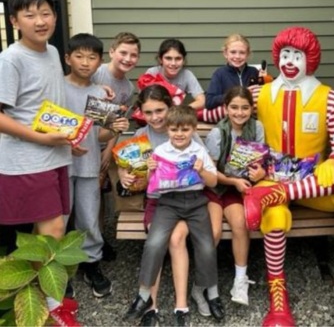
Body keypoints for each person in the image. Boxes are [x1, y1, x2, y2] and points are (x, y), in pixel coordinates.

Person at [243, 26, 334, 326]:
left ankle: (274, 195)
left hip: (313, 183)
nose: (289, 61)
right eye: (285, 54)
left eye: (297, 55)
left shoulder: (331, 98)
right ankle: (279, 303)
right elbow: (221, 113)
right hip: (270, 175)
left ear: (310, 60)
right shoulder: (258, 93)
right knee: (274, 217)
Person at [0, 0, 80, 326]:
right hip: (27, 161)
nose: (40, 20)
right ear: (15, 21)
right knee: (53, 231)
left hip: (54, 156)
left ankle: (38, 302)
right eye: (30, 15)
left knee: (45, 233)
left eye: (45, 13)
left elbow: (45, 102)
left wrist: (69, 137)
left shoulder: (50, 53)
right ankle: (45, 305)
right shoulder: (10, 59)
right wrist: (45, 140)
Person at [124, 105, 224, 326]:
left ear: (193, 129)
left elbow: (214, 182)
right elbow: (152, 189)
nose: (179, 134)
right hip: (168, 204)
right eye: (174, 129)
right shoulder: (160, 152)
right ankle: (143, 295)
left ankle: (212, 292)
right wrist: (151, 170)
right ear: (167, 130)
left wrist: (202, 171)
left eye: (185, 129)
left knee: (206, 245)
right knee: (154, 242)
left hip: (196, 203)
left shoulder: (199, 151)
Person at [63, 33, 129, 298]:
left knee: (89, 219)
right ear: (68, 58)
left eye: (92, 57)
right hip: (60, 165)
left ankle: (91, 265)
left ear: (99, 61)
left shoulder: (99, 94)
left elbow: (98, 135)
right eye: (79, 56)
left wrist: (113, 128)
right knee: (60, 219)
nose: (85, 62)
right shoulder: (56, 87)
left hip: (88, 165)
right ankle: (59, 269)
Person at [204, 85, 266, 306]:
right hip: (215, 187)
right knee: (214, 231)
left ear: (251, 108)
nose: (240, 112)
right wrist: (233, 181)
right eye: (234, 107)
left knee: (240, 224)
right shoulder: (216, 133)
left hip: (237, 190)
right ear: (226, 108)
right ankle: (206, 283)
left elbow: (260, 161)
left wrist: (260, 172)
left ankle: (240, 280)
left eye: (245, 107)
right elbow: (210, 174)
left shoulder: (257, 128)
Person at [92, 31, 141, 260]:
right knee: (82, 197)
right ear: (112, 52)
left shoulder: (128, 88)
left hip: (102, 142)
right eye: (123, 52)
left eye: (133, 55)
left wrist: (108, 152)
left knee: (99, 195)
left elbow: (117, 123)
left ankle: (98, 239)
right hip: (81, 142)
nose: (127, 58)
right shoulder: (95, 73)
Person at [145, 38, 205, 111]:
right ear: (160, 59)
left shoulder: (187, 75)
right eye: (168, 58)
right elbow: (144, 101)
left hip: (175, 116)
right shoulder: (152, 73)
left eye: (178, 58)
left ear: (183, 60)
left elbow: (201, 101)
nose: (173, 63)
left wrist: (180, 110)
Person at [205, 34, 260, 110]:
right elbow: (209, 102)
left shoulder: (254, 72)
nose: (237, 56)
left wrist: (265, 81)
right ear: (225, 53)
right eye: (233, 52)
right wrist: (236, 94)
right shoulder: (219, 74)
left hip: (251, 116)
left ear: (248, 54)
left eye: (242, 52)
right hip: (228, 119)